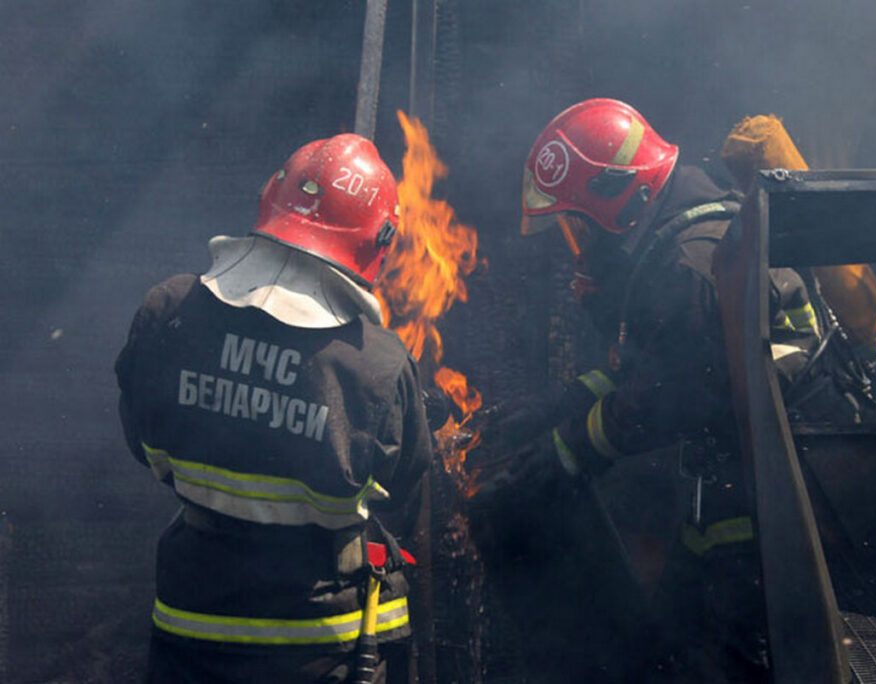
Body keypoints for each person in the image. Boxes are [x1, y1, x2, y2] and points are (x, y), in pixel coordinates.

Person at [469, 99, 830, 682]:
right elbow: (656, 364)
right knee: (676, 639)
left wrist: (563, 451)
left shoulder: (686, 267)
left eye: (577, 222)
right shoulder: (686, 227)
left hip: (774, 499)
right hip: (741, 475)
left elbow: (662, 397)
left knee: (728, 657)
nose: (576, 243)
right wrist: (558, 405)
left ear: (622, 199)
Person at [115, 133, 432, 684]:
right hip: (323, 649)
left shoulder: (169, 313)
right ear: (378, 240)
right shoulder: (376, 363)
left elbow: (144, 447)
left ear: (271, 201)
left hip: (191, 630)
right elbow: (404, 484)